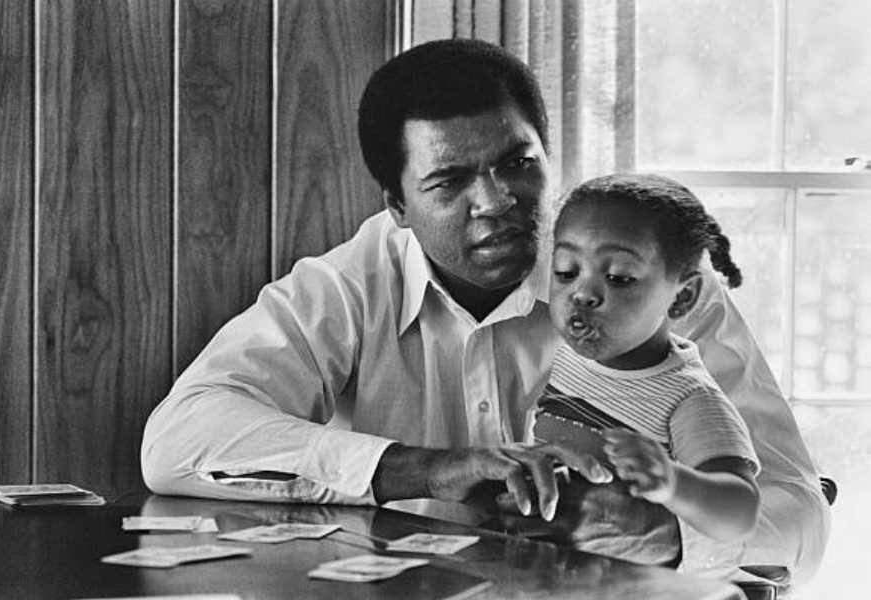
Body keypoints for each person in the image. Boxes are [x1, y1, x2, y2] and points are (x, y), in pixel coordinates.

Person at [141, 38, 829, 582]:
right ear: (398, 206)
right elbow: (177, 443)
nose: (497, 202)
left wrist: (661, 532)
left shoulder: (658, 284)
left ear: (550, 157)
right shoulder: (349, 284)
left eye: (517, 163)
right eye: (450, 181)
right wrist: (427, 469)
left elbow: (800, 521)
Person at [530, 174, 759, 568]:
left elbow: (740, 512)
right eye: (567, 271)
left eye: (618, 277)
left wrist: (672, 482)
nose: (582, 293)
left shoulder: (688, 397)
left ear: (682, 296)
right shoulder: (548, 351)